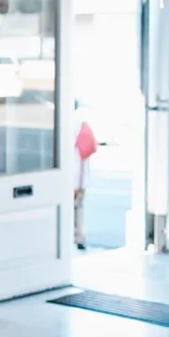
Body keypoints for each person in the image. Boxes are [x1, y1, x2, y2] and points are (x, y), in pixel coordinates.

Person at [74, 103, 97, 250]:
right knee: (78, 209)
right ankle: (79, 237)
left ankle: (77, 237)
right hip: (77, 181)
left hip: (73, 181)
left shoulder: (73, 129)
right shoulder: (83, 128)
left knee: (73, 209)